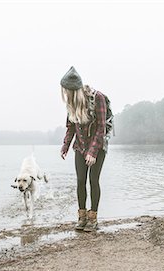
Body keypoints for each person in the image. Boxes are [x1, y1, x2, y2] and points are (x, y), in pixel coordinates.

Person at [60, 66, 108, 232]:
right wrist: (65, 146)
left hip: (98, 145)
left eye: (66, 91)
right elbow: (70, 127)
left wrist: (93, 152)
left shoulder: (98, 98)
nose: (65, 94)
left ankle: (93, 218)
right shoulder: (71, 104)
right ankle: (82, 217)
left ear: (74, 90)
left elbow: (101, 128)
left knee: (93, 181)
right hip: (80, 147)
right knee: (81, 181)